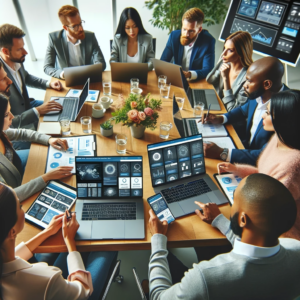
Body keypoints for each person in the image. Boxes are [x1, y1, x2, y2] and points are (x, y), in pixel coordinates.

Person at [148, 173, 300, 299]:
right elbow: (252, 245)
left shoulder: (204, 277)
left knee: (168, 259)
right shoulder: (296, 248)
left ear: (242, 220)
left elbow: (158, 296)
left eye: (235, 199)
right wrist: (219, 220)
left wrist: (157, 239)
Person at [0, 183, 117, 300]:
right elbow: (83, 291)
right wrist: (69, 240)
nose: (23, 209)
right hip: (84, 292)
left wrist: (47, 232)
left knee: (74, 247)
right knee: (108, 243)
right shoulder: (45, 279)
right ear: (12, 232)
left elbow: (14, 256)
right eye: (20, 206)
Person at [218, 89, 300, 240]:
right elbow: (265, 176)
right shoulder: (279, 137)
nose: (262, 115)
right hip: (258, 208)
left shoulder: (293, 164)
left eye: (268, 113)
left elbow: (267, 209)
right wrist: (237, 169)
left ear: (284, 120)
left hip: (277, 234)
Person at [202, 56, 288, 166]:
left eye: (249, 81)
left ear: (267, 84)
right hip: (243, 148)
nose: (244, 85)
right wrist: (221, 118)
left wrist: (222, 152)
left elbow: (266, 155)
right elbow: (244, 110)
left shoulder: (288, 109)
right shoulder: (259, 93)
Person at [0, 93, 73, 201]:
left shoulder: (2, 132)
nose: (12, 116)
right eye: (6, 115)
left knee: (47, 154)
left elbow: (22, 133)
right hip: (15, 189)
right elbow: (9, 197)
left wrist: (49, 139)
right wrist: (46, 177)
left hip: (16, 165)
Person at [0, 24, 63, 134]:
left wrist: (48, 84)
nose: (25, 52)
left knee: (61, 108)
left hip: (28, 106)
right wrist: (37, 111)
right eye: (19, 49)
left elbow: (27, 78)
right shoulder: (1, 75)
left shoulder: (17, 60)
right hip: (15, 126)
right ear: (5, 51)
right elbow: (8, 122)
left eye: (23, 47)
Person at [44, 5, 106, 79]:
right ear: (65, 27)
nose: (80, 28)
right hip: (67, 80)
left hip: (87, 77)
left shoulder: (90, 36)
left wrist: (92, 70)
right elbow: (47, 67)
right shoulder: (54, 39)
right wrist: (62, 74)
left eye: (80, 23)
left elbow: (101, 63)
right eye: (75, 26)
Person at [160, 7, 215, 81]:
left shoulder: (208, 41)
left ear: (199, 30)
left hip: (195, 81)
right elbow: (163, 61)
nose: (186, 34)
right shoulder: (174, 36)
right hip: (175, 79)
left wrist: (190, 74)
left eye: (191, 31)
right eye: (184, 29)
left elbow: (208, 70)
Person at [206, 31, 253, 111]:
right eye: (224, 48)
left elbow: (232, 109)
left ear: (241, 53)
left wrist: (226, 79)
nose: (223, 53)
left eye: (230, 50)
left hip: (226, 117)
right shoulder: (225, 61)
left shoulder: (248, 78)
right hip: (214, 107)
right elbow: (209, 80)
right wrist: (219, 69)